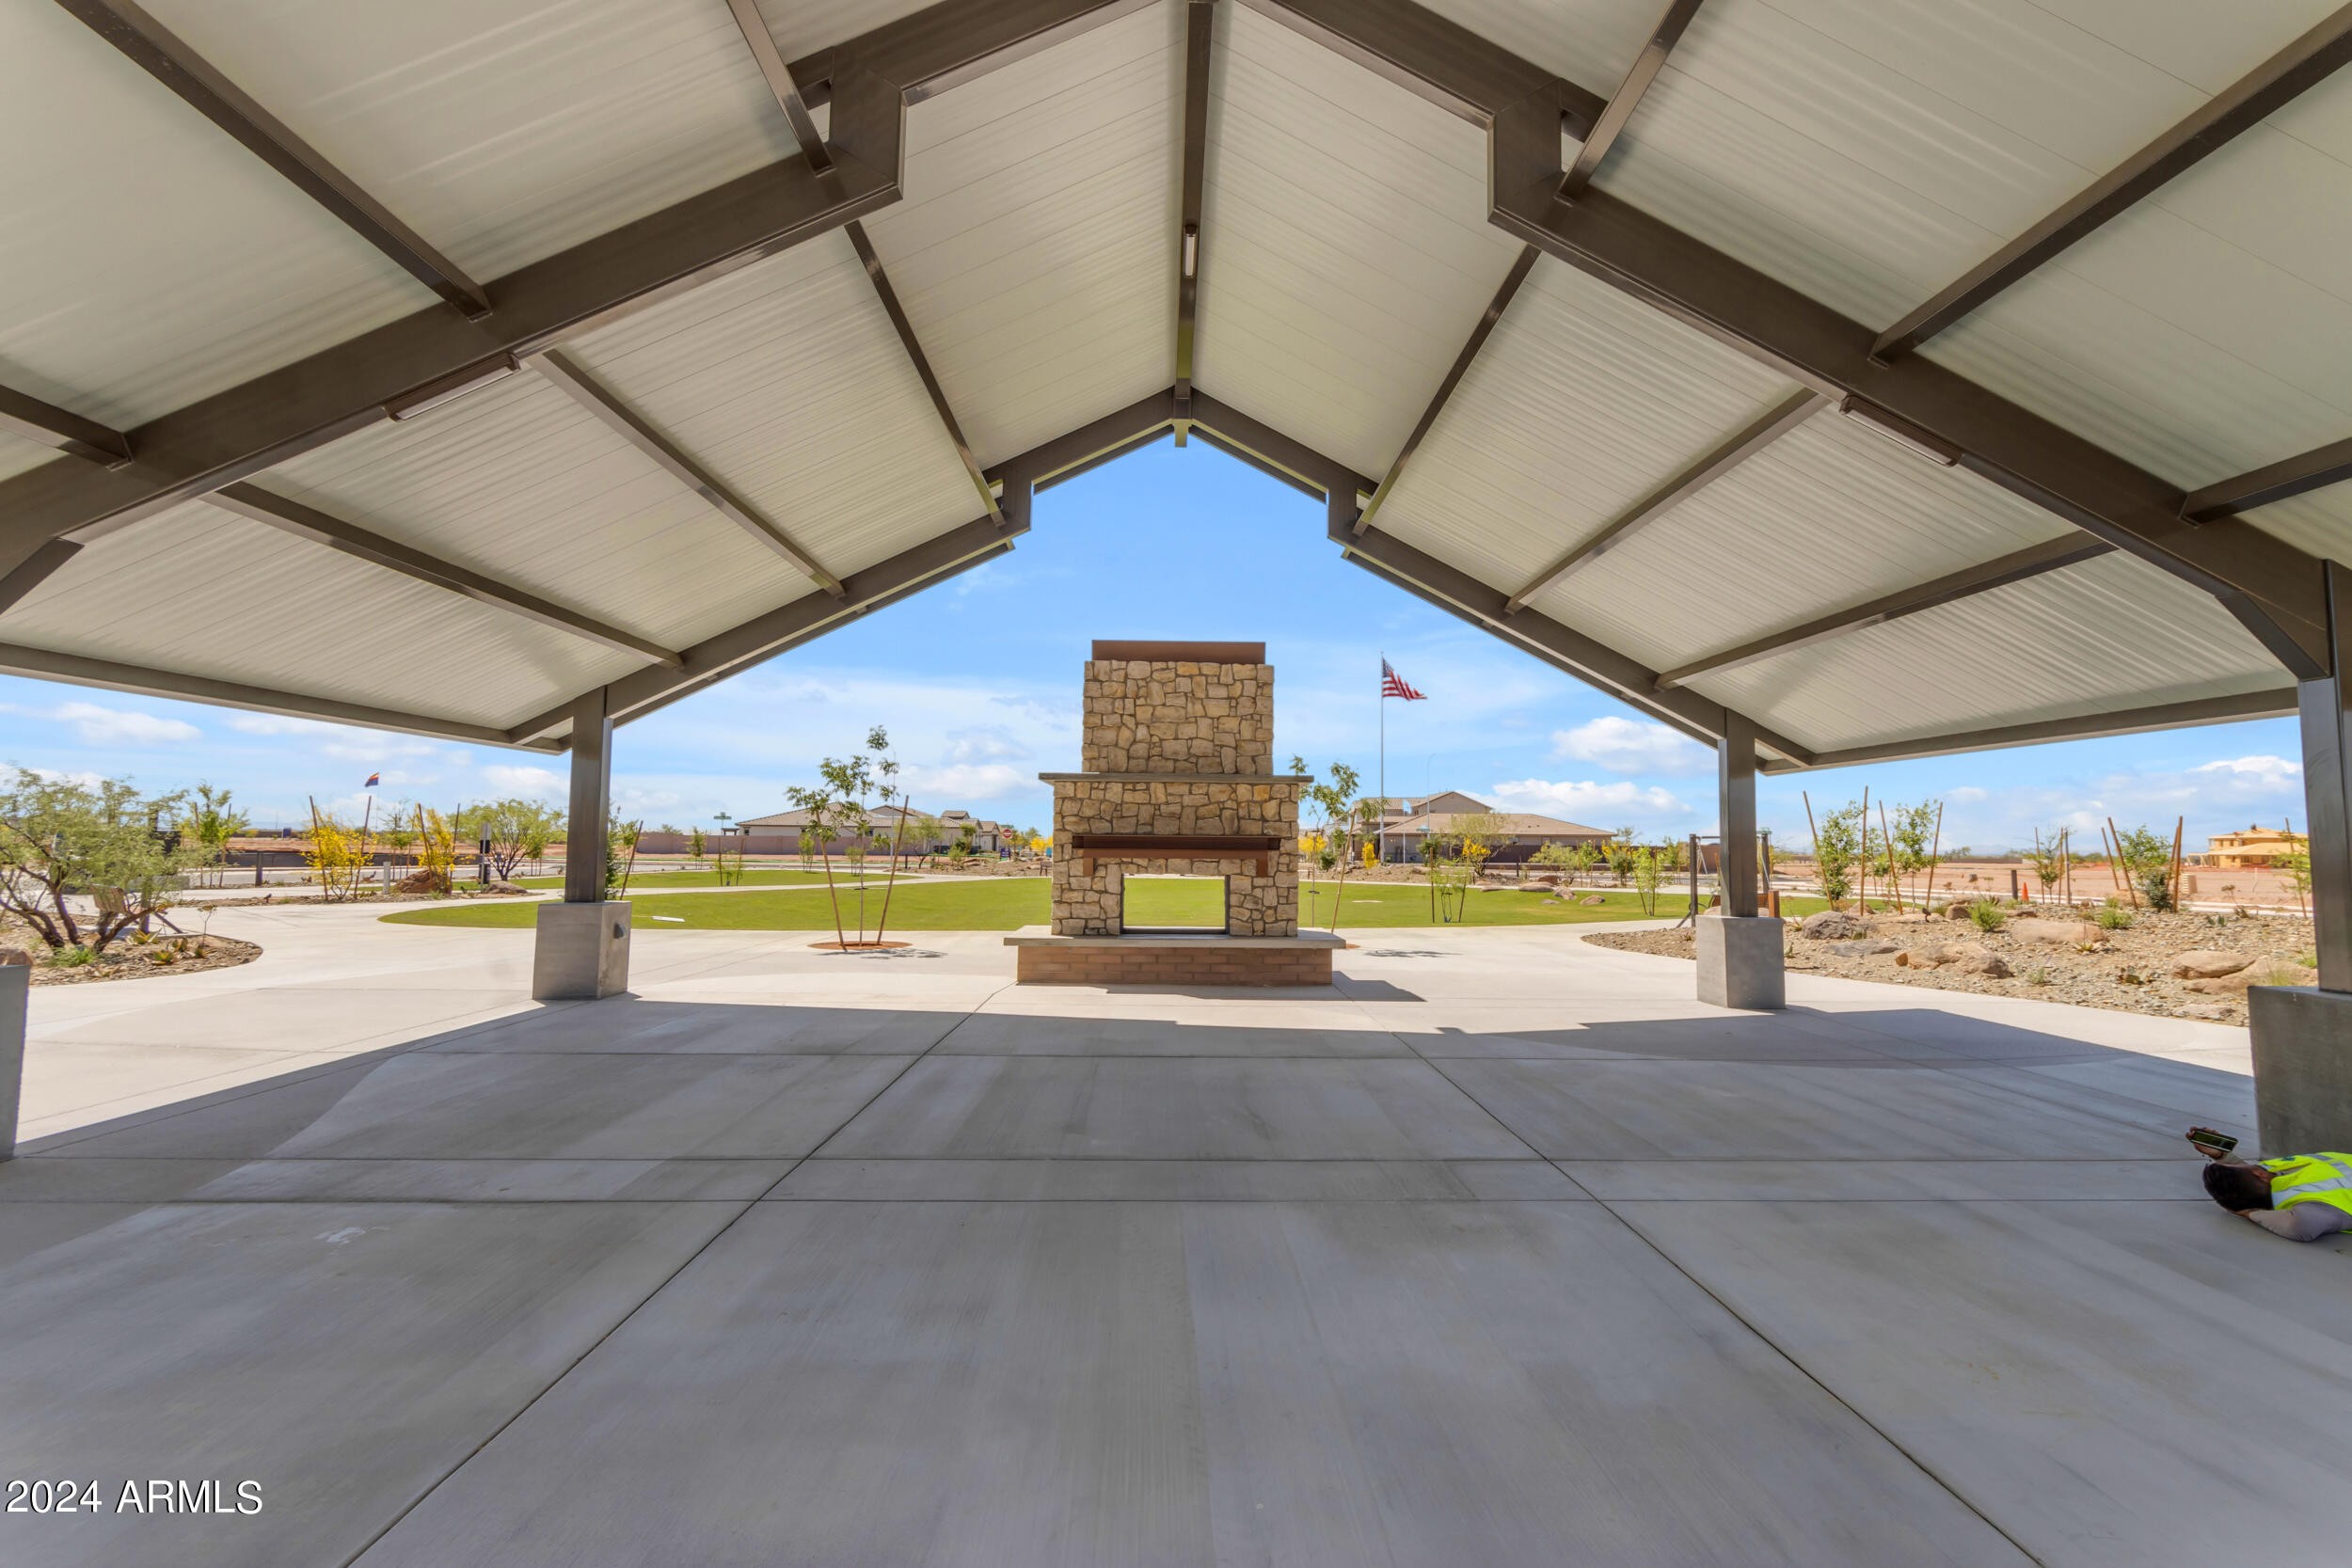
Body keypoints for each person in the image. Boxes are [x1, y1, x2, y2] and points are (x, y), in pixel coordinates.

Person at [2198, 1143, 2352, 1242]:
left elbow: (2247, 1182)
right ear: (2259, 1174)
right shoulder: (2314, 1204)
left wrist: (2222, 1156)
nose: (2253, 1166)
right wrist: (2248, 1213)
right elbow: (2301, 1226)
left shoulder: (2276, 1178)